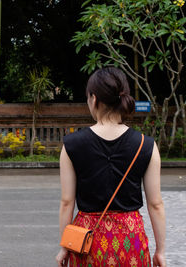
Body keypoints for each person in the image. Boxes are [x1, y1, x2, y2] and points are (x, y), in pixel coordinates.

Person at [56, 67, 166, 267]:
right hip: (130, 240)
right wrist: (160, 251)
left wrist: (64, 247)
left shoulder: (72, 145)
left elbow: (66, 202)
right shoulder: (146, 145)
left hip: (87, 242)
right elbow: (156, 204)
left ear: (94, 99)